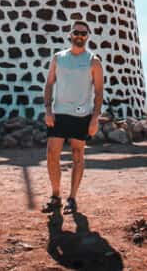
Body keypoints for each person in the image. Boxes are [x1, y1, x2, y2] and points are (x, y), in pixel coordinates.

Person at [41, 20, 104, 215]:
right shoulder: (58, 58)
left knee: (78, 155)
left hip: (81, 115)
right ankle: (56, 195)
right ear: (70, 34)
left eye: (84, 34)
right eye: (77, 32)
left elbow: (99, 92)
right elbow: (50, 84)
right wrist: (48, 109)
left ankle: (72, 198)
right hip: (59, 113)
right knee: (52, 153)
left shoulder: (93, 61)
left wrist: (95, 118)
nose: (80, 36)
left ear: (88, 36)